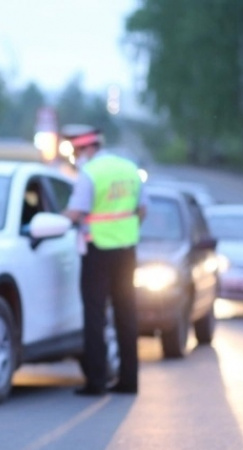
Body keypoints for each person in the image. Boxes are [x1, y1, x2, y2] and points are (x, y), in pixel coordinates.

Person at [61, 124, 147, 396]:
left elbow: (75, 213)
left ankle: (96, 382)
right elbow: (142, 209)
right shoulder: (128, 169)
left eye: (76, 151)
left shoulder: (90, 174)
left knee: (95, 316)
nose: (75, 157)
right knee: (127, 314)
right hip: (126, 250)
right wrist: (126, 231)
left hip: (97, 251)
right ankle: (129, 380)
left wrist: (54, 221)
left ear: (87, 148)